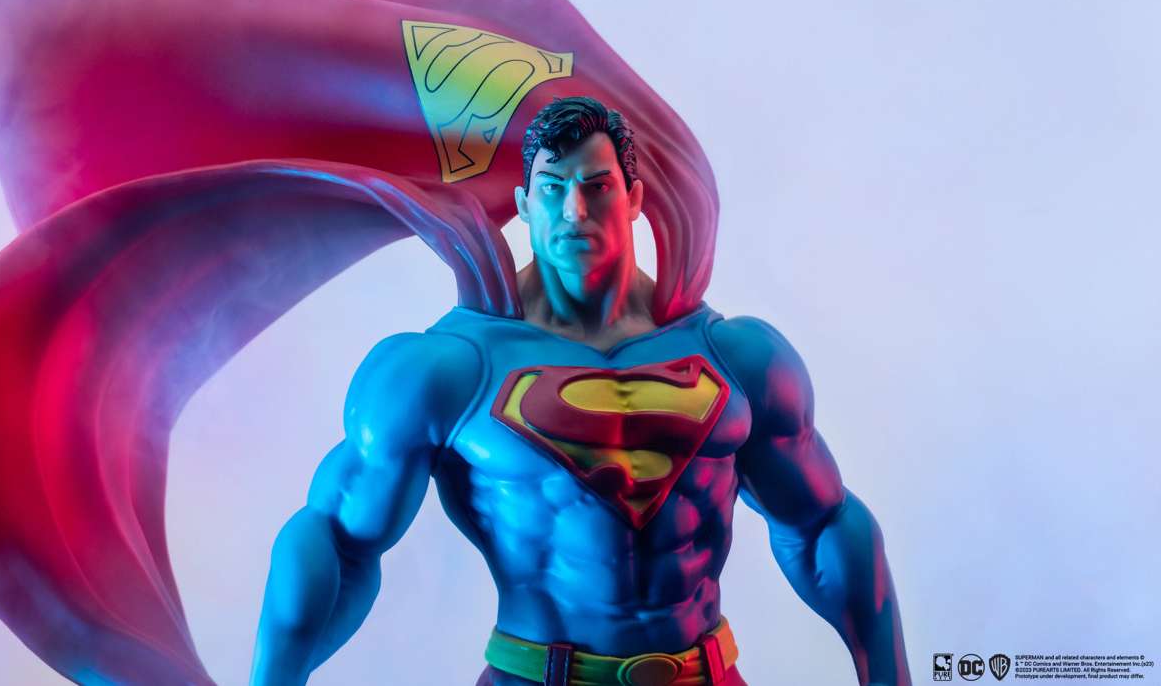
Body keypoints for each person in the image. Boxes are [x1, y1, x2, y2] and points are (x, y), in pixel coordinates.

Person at [250, 96, 911, 686]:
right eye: (553, 187)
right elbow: (336, 543)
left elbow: (824, 527)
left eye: (597, 186)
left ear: (635, 198)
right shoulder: (444, 371)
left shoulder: (740, 358)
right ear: (522, 204)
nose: (575, 210)